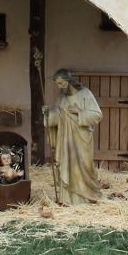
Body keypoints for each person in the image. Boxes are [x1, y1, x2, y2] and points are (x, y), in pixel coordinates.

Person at [44, 69, 103, 205]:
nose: (60, 86)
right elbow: (58, 115)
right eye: (57, 84)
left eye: (61, 83)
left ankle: (88, 196)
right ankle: (69, 200)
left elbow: (97, 115)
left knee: (85, 166)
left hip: (82, 138)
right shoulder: (62, 97)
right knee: (68, 165)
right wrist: (49, 114)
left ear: (68, 80)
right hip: (66, 139)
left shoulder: (85, 94)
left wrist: (80, 112)